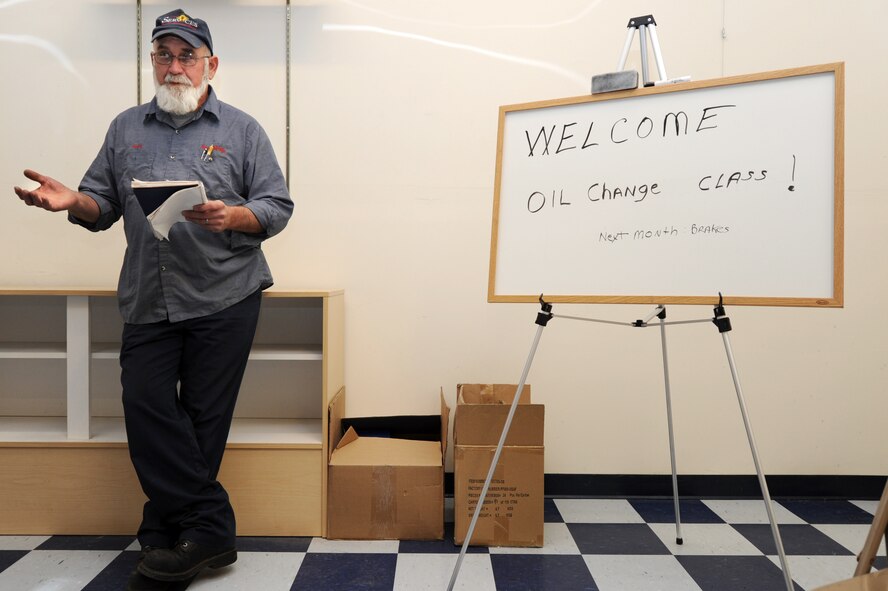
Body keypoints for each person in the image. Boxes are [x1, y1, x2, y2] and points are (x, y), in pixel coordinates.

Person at [13, 8, 293, 590]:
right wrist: (73, 202)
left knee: (202, 422)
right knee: (146, 409)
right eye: (163, 54)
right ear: (152, 62)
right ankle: (209, 527)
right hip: (149, 296)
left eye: (186, 55)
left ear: (210, 64)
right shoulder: (124, 128)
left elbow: (277, 207)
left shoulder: (242, 130)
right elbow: (101, 203)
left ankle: (168, 535)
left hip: (225, 295)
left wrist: (232, 215)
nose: (174, 67)